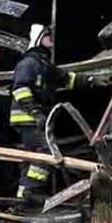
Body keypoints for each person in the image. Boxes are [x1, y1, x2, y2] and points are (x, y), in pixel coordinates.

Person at [9, 24, 81, 206]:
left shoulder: (44, 64)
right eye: (48, 36)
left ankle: (23, 195)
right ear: (39, 38)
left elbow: (66, 79)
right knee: (46, 152)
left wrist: (92, 80)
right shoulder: (29, 63)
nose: (52, 40)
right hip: (27, 118)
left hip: (37, 119)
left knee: (32, 155)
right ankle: (32, 191)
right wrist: (35, 112)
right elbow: (20, 89)